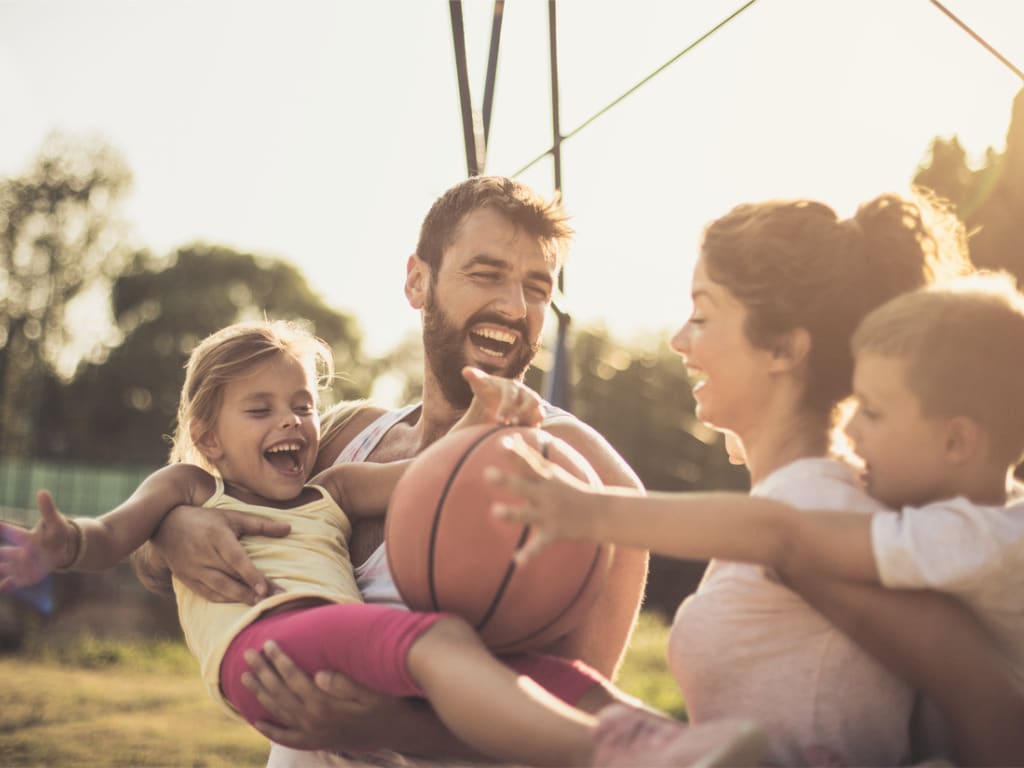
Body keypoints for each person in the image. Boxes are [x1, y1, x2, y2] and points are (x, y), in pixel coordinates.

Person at [0, 319, 755, 767]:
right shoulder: (188, 489)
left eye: (301, 404)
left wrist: (487, 417)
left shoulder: (332, 487)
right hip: (266, 651)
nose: (290, 422)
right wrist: (61, 544)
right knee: (436, 640)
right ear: (207, 437)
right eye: (258, 410)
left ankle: (676, 745)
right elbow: (111, 535)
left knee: (528, 670)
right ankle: (601, 752)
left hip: (333, 651)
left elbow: (434, 474)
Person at [131, 176, 651, 765]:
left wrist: (392, 727)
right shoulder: (348, 438)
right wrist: (174, 528)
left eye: (536, 287)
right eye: (486, 274)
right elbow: (172, 544)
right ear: (417, 280)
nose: (514, 307)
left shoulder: (582, 472)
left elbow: (575, 730)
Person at [489, 271, 1024, 764]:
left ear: (957, 439)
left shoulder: (980, 541)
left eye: (874, 413)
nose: (852, 432)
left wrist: (587, 510)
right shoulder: (973, 527)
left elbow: (782, 534)